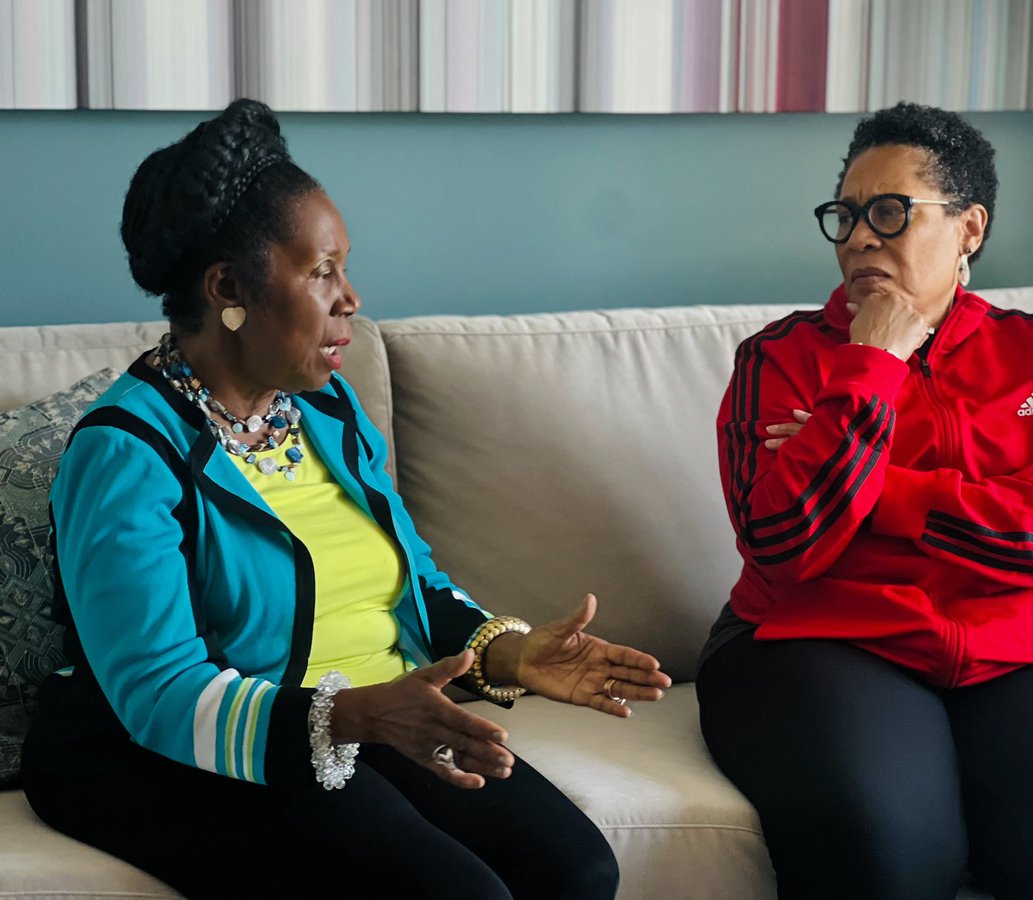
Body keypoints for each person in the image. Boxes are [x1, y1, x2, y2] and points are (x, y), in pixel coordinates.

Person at [21, 98, 670, 900]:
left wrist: (511, 653)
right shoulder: (128, 451)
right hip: (171, 750)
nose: (351, 297)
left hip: (371, 715)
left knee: (575, 868)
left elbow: (417, 583)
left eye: (345, 267)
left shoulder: (326, 411)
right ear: (230, 289)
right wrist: (352, 718)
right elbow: (160, 692)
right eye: (321, 271)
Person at [696, 102, 1033, 899]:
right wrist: (873, 363)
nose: (858, 237)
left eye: (889, 212)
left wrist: (880, 491)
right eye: (846, 216)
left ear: (969, 229)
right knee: (888, 854)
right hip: (822, 640)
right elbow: (785, 540)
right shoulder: (780, 360)